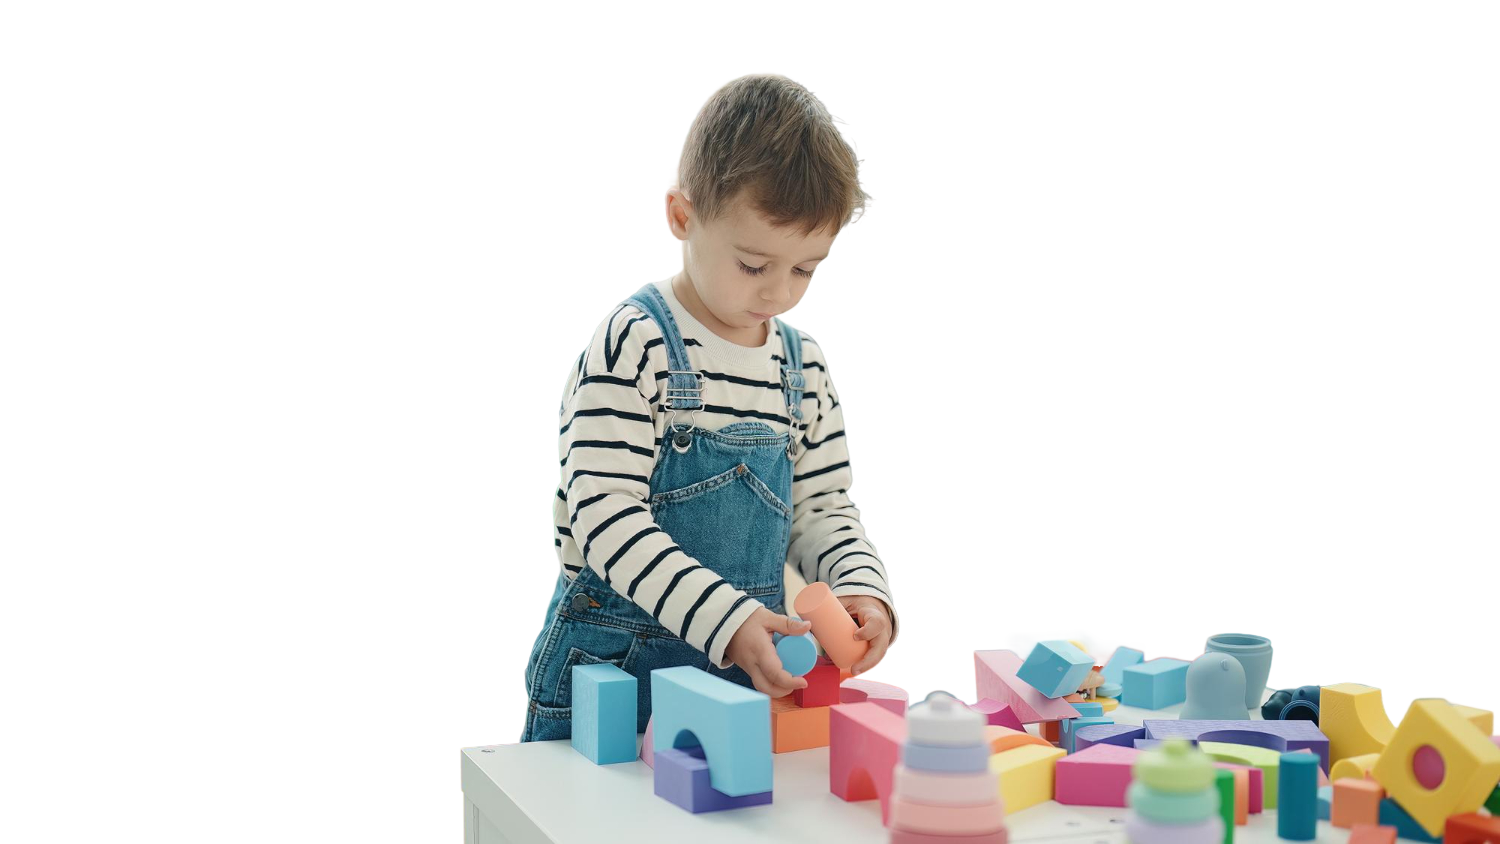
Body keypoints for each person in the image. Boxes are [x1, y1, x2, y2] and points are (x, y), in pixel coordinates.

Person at [521, 72, 895, 743]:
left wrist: (860, 589)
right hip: (614, 670)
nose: (779, 292)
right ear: (681, 217)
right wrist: (725, 619)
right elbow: (603, 515)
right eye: (754, 265)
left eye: (805, 269)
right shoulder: (634, 343)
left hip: (742, 678)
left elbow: (823, 508)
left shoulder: (801, 365)